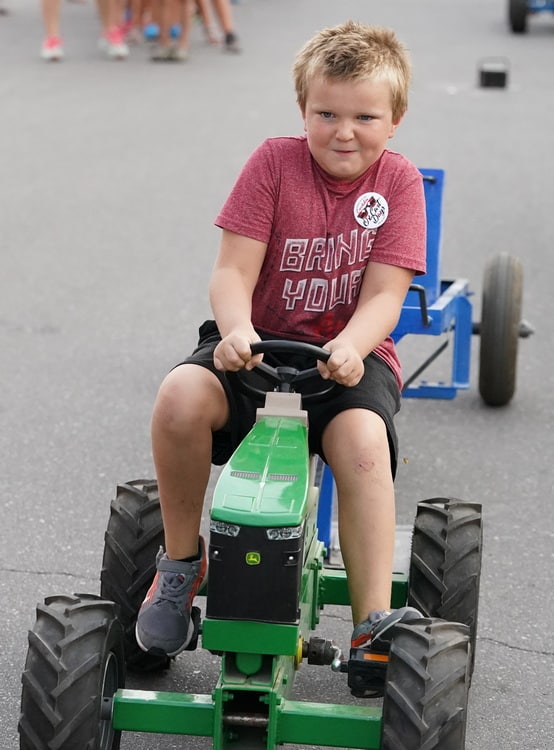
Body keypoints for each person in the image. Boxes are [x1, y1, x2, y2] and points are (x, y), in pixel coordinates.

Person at [135, 20, 426, 663]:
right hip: (256, 348)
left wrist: (352, 344)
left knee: (365, 444)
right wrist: (237, 329)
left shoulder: (399, 183)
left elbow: (386, 294)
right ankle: (181, 563)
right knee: (180, 395)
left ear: (394, 120)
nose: (344, 132)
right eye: (327, 114)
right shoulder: (273, 163)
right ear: (303, 110)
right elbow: (232, 272)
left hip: (347, 359)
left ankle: (371, 620)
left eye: (364, 117)